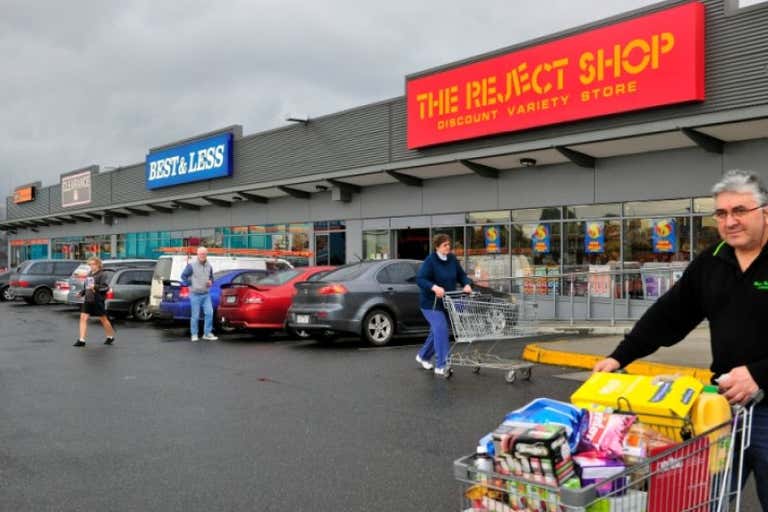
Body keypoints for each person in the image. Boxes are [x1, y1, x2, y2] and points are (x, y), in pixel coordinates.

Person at [594, 169, 768, 509]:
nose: (730, 221)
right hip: (722, 407)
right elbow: (668, 315)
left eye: (740, 211)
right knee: (707, 499)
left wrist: (760, 373)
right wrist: (619, 357)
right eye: (721, 213)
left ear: (765, 211)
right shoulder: (712, 261)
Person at [416, 233, 472, 376]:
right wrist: (434, 287)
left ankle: (423, 356)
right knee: (441, 328)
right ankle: (441, 365)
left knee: (437, 331)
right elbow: (421, 279)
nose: (448, 247)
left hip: (447, 302)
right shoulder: (430, 261)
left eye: (449, 244)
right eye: (445, 245)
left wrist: (466, 284)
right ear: (437, 247)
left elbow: (462, 275)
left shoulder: (452, 259)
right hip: (431, 304)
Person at [73, 257, 115, 347]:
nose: (91, 266)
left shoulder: (103, 274)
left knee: (103, 319)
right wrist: (81, 293)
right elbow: (86, 287)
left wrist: (95, 287)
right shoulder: (89, 274)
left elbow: (105, 287)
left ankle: (110, 336)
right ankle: (81, 340)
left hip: (97, 300)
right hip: (88, 299)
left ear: (98, 264)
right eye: (90, 264)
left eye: (93, 264)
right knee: (83, 317)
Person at [180, 247, 218, 342]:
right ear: (197, 254)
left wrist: (210, 281)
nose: (202, 255)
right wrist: (190, 284)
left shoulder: (209, 266)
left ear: (206, 255)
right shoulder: (191, 266)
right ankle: (194, 334)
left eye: (204, 254)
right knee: (195, 316)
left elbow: (211, 278)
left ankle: (207, 333)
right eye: (201, 254)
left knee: (210, 313)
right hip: (195, 294)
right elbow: (183, 276)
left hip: (206, 294)